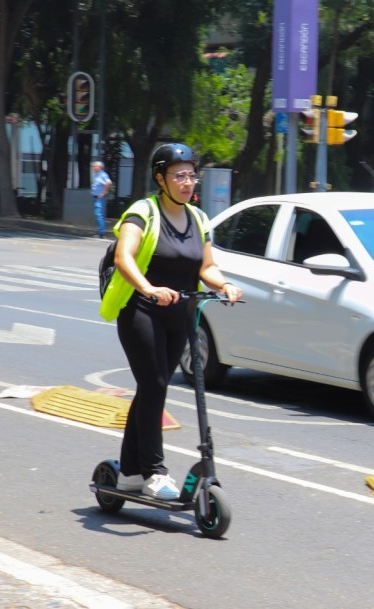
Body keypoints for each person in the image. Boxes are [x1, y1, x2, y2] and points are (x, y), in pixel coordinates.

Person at [99, 143, 241, 500]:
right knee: (156, 383)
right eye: (179, 175)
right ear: (160, 178)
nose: (188, 181)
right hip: (141, 310)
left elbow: (205, 266)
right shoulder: (142, 213)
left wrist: (224, 284)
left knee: (152, 389)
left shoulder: (198, 219)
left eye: (192, 174)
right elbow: (123, 256)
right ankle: (154, 471)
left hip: (181, 314)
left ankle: (129, 471)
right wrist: (148, 288)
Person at [91, 161, 114, 238]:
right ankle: (101, 232)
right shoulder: (97, 175)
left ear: (100, 167)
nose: (93, 168)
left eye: (95, 166)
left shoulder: (102, 174)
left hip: (100, 198)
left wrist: (103, 193)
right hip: (96, 197)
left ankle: (101, 233)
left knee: (99, 215)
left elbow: (109, 183)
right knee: (99, 215)